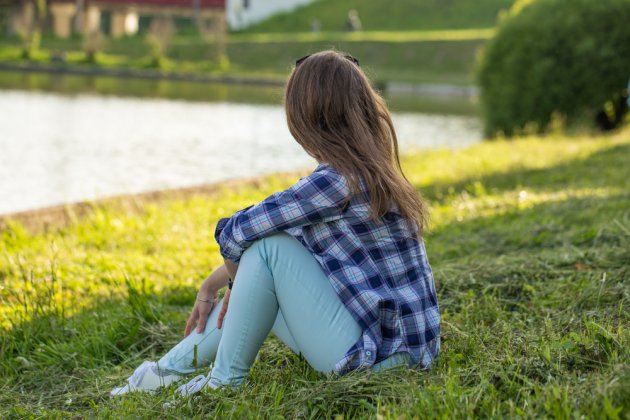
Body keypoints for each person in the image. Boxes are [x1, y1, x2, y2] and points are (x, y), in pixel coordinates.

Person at [111, 50, 440, 397]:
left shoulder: (335, 182)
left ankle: (221, 383)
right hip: (408, 353)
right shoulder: (371, 172)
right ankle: (162, 374)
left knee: (267, 250)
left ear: (308, 118)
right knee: (269, 248)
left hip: (376, 359)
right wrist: (214, 282)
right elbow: (284, 233)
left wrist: (238, 286)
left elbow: (237, 232)